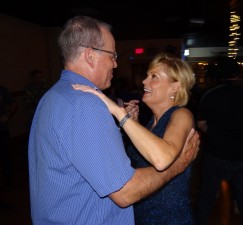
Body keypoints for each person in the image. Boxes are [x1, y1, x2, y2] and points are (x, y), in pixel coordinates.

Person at [28, 15, 200, 225]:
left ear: (175, 86)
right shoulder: (84, 104)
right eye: (113, 55)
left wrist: (125, 121)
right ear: (91, 56)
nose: (116, 64)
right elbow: (124, 192)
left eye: (154, 76)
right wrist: (179, 164)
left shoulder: (55, 96)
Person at [73, 52, 196, 224]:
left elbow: (162, 159)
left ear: (175, 86)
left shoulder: (182, 114)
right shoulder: (150, 123)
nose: (145, 81)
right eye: (147, 76)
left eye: (154, 77)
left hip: (169, 217)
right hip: (141, 210)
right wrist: (133, 123)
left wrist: (118, 111)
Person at [195, 56, 243, 225]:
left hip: (216, 154)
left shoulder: (209, 94)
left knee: (206, 197)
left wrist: (216, 133)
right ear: (237, 74)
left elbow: (201, 124)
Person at [0, 85, 17, 189]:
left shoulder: (2, 89)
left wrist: (7, 115)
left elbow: (13, 103)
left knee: (5, 157)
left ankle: (8, 184)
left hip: (1, 130)